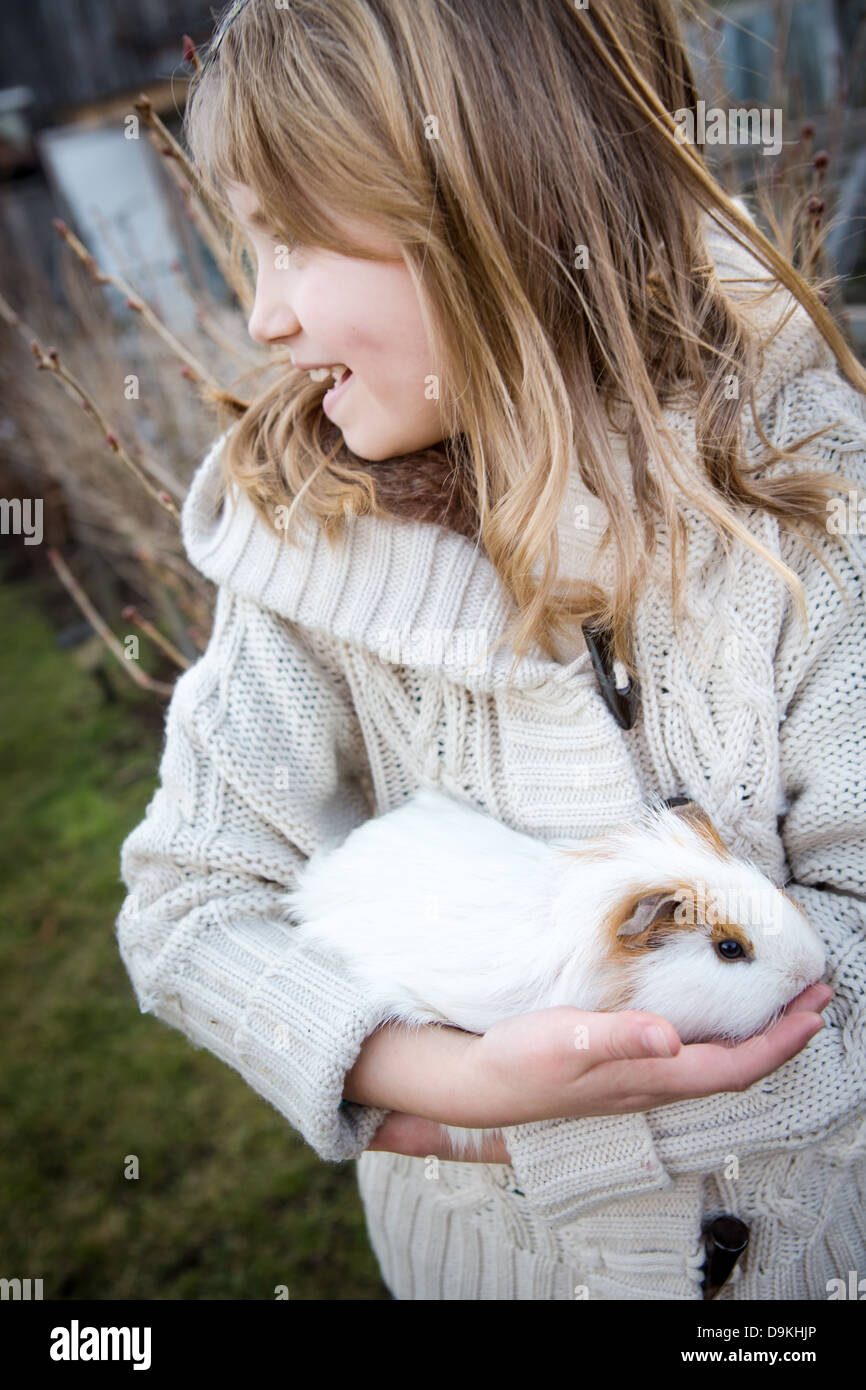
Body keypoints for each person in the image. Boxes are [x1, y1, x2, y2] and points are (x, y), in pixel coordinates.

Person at [116, 0, 866, 1299]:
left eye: (291, 240)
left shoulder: (804, 498)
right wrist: (455, 1086)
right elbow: (190, 904)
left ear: (485, 209)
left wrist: (599, 1108)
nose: (263, 316)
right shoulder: (310, 543)